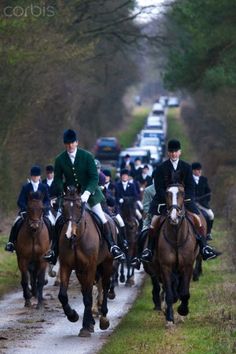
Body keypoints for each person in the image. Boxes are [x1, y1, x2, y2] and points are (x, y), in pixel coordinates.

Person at [43, 129, 125, 264]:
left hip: (90, 195)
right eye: (67, 144)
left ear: (77, 143)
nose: (70, 146)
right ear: (65, 144)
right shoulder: (59, 159)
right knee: (58, 220)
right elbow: (57, 178)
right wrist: (63, 190)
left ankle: (112, 246)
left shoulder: (87, 156)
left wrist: (87, 193)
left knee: (102, 218)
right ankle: (53, 250)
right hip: (70, 197)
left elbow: (94, 177)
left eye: (72, 143)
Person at [140, 139, 221, 262]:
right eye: (171, 152)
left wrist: (184, 200)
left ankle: (204, 247)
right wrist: (168, 201)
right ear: (168, 153)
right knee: (153, 222)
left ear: (180, 152)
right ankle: (149, 250)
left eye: (175, 152)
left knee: (198, 220)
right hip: (163, 201)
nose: (173, 154)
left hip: (184, 201)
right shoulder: (161, 168)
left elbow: (190, 186)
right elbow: (159, 188)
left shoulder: (187, 167)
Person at [5, 166, 54, 252]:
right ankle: (11, 243)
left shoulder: (44, 187)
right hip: (27, 211)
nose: (35, 178)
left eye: (37, 176)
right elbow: (20, 201)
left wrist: (44, 207)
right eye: (34, 176)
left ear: (39, 176)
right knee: (16, 222)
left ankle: (54, 246)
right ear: (31, 176)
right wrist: (25, 208)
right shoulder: (26, 187)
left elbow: (47, 200)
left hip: (42, 211)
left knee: (52, 223)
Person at [192, 162, 214, 240]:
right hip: (191, 203)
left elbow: (208, 191)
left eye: (200, 170)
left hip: (202, 204)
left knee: (211, 215)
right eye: (198, 170)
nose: (200, 171)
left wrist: (205, 200)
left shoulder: (204, 179)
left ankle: (208, 233)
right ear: (193, 171)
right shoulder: (189, 180)